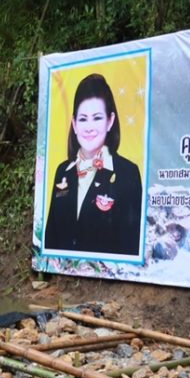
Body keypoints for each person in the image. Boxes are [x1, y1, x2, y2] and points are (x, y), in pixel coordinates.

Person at [44, 73, 143, 257]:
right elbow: (51, 238)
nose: (89, 127)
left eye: (97, 118)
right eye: (82, 119)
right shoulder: (62, 172)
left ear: (110, 121)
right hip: (63, 280)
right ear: (74, 124)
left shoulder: (128, 173)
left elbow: (130, 246)